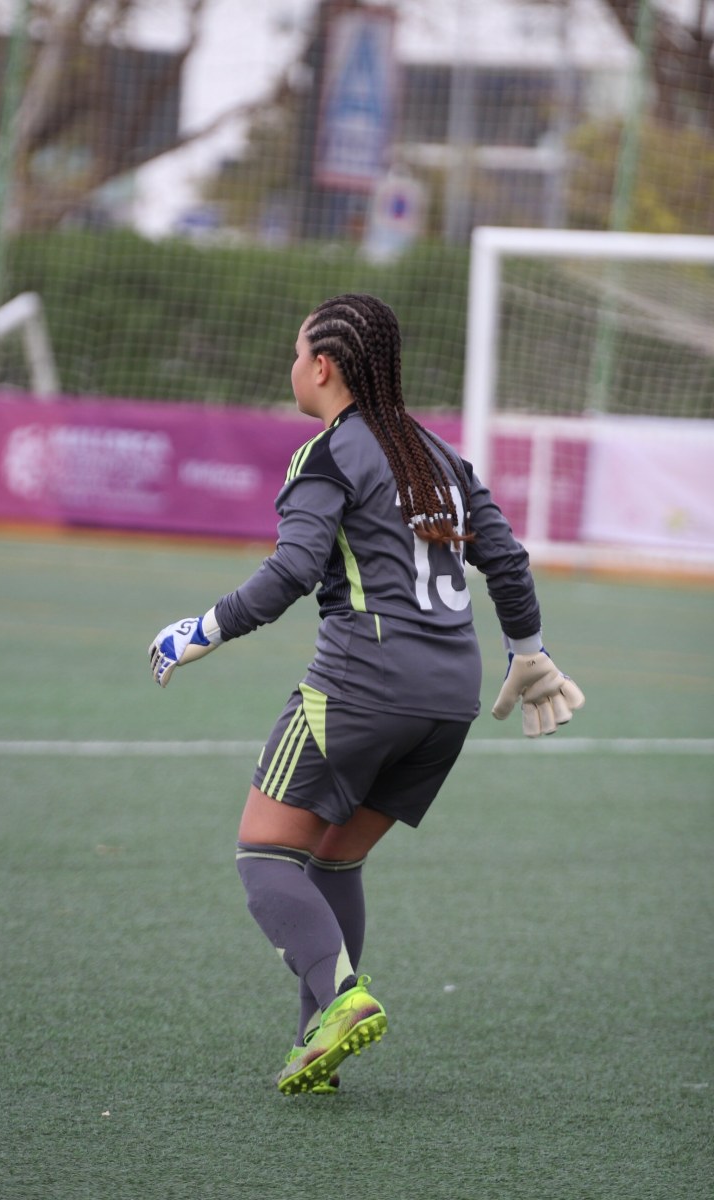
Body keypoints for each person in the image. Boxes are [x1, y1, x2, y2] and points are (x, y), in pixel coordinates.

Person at [148, 293, 584, 1096]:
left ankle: (341, 999)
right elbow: (507, 560)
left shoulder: (328, 454)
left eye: (296, 352)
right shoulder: (439, 455)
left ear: (323, 366)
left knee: (264, 853)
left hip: (361, 685)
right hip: (449, 699)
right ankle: (315, 1047)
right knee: (335, 858)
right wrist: (530, 653)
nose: (292, 366)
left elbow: (290, 570)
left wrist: (200, 629)